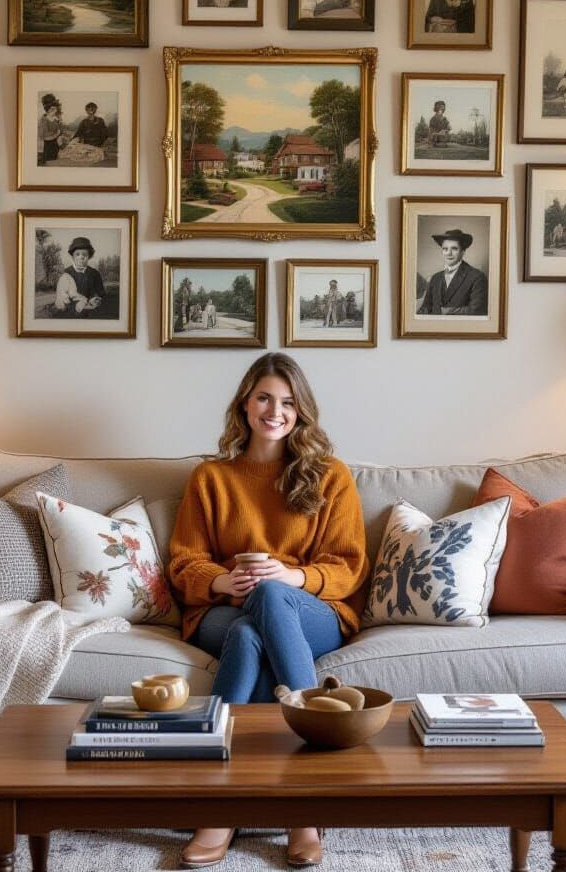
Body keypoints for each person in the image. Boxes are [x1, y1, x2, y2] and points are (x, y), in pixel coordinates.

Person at [168, 352, 368, 869]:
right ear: (244, 403)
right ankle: (304, 807)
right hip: (223, 609)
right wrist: (220, 580)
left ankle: (219, 808)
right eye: (263, 398)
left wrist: (291, 577)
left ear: (301, 411)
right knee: (248, 633)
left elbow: (348, 566)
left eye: (287, 402)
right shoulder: (211, 478)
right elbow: (184, 561)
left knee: (271, 598)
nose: (274, 411)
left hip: (313, 610)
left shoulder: (331, 476)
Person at [418, 228, 488, 316]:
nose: (448, 253)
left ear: (463, 251)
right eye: (445, 249)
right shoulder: (436, 278)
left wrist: (446, 311)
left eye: (454, 249)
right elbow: (425, 308)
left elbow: (477, 311)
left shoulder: (477, 277)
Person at [52, 236, 104, 317]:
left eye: (84, 254)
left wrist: (96, 299)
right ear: (73, 256)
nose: (81, 257)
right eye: (77, 254)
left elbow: (100, 292)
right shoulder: (66, 273)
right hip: (70, 311)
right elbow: (62, 295)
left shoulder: (94, 273)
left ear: (89, 256)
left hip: (90, 310)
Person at [37, 93, 64, 165]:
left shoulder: (55, 119)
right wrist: (57, 134)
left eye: (55, 108)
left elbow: (61, 131)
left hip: (56, 146)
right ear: (48, 110)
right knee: (50, 163)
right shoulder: (43, 120)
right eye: (53, 109)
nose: (55, 111)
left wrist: (60, 122)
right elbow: (45, 137)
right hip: (48, 147)